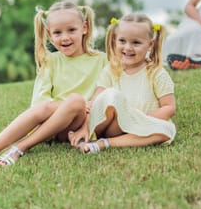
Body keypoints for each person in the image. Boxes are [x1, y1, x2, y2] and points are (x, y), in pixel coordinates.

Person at [0, 1, 108, 172]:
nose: (65, 37)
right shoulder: (50, 61)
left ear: (84, 28)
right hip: (53, 126)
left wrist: (81, 105)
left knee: (76, 101)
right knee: (74, 101)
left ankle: (21, 146)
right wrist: (70, 104)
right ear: (49, 35)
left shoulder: (102, 60)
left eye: (71, 30)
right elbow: (40, 105)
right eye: (57, 32)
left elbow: (106, 93)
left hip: (81, 125)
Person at [68, 13, 176, 153]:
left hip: (140, 125)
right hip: (112, 125)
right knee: (111, 95)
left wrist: (143, 118)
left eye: (136, 43)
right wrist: (85, 127)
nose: (128, 48)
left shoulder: (156, 73)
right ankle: (89, 135)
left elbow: (169, 108)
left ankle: (105, 143)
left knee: (167, 130)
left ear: (150, 44)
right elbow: (96, 101)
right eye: (122, 41)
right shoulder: (110, 71)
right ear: (114, 40)